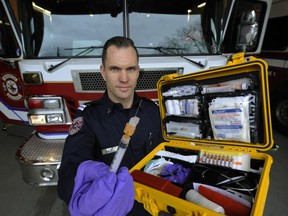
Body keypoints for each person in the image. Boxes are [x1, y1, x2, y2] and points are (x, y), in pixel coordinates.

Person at [57, 36, 164, 215]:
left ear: (138, 71)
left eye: (130, 69)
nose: (124, 78)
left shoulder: (153, 111)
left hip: (158, 207)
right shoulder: (89, 118)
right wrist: (86, 199)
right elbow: (69, 174)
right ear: (103, 72)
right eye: (115, 69)